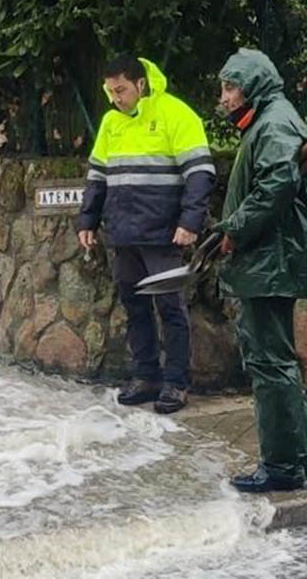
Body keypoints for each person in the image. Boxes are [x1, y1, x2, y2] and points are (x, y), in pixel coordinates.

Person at [77, 55, 215, 414]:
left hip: (164, 234)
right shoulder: (111, 123)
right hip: (123, 234)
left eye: (120, 90)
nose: (115, 98)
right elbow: (97, 176)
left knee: (171, 309)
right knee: (135, 307)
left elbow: (200, 173)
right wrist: (87, 221)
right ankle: (146, 376)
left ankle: (175, 383)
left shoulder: (175, 113)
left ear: (140, 84)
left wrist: (190, 222)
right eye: (110, 91)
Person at [216, 48, 307, 493]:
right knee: (272, 361)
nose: (225, 97)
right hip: (268, 260)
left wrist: (234, 228)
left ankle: (284, 467)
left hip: (271, 261)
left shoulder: (274, 122)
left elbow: (277, 185)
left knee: (270, 363)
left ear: (252, 85)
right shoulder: (271, 119)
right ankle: (291, 458)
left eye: (231, 87)